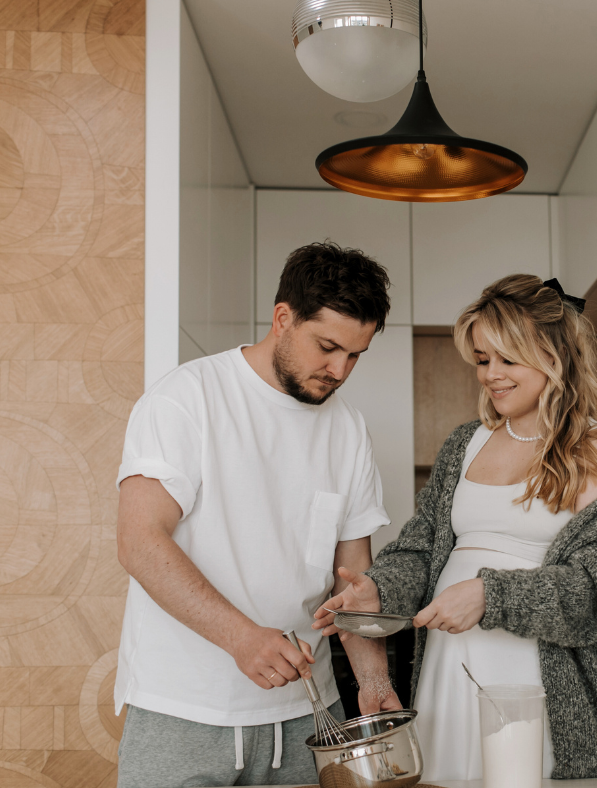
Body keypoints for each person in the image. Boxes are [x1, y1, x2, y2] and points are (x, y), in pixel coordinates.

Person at [315, 274, 597, 779]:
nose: (490, 375)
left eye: (507, 359)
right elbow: (419, 552)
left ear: (553, 358)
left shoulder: (595, 449)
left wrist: (491, 596)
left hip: (541, 687)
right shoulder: (465, 444)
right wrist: (378, 591)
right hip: (451, 672)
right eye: (481, 360)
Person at [114, 242, 401, 788]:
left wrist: (373, 677)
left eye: (356, 355)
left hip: (307, 719)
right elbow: (139, 541)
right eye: (327, 347)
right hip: (182, 712)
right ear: (283, 318)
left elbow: (353, 582)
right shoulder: (188, 398)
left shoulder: (348, 430)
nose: (340, 369)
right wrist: (241, 637)